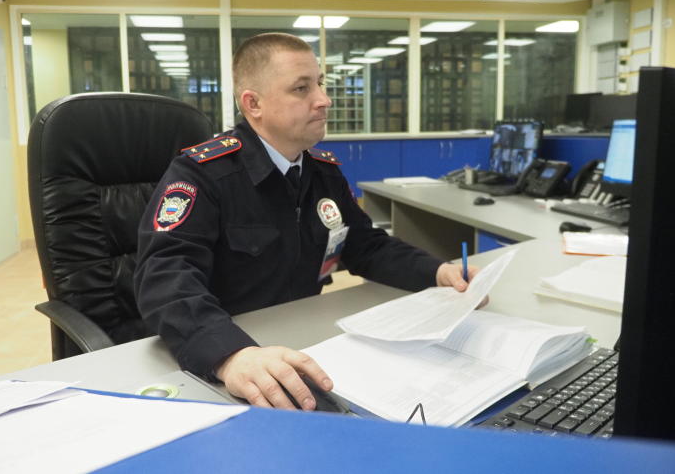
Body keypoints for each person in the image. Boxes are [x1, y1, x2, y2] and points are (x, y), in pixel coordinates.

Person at [134, 32, 479, 412]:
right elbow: (164, 276)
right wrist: (230, 354)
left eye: (320, 83)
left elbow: (367, 247)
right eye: (301, 88)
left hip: (305, 344)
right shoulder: (203, 174)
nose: (324, 99)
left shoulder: (321, 172)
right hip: (232, 355)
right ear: (254, 104)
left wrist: (437, 271)